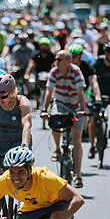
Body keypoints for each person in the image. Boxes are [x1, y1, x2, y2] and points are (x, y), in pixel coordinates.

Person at [40, 50, 87, 188]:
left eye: (59, 59)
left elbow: (80, 92)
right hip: (60, 103)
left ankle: (78, 175)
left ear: (68, 61)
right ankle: (57, 149)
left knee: (77, 140)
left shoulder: (76, 71)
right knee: (54, 120)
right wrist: (44, 109)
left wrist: (82, 110)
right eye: (56, 59)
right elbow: (49, 91)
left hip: (75, 105)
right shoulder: (54, 72)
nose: (56, 61)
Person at [0, 74, 32, 181]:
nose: (1, 100)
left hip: (19, 143)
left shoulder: (22, 102)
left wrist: (25, 146)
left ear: (13, 91)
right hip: (0, 145)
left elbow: (27, 125)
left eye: (4, 97)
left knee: (22, 179)